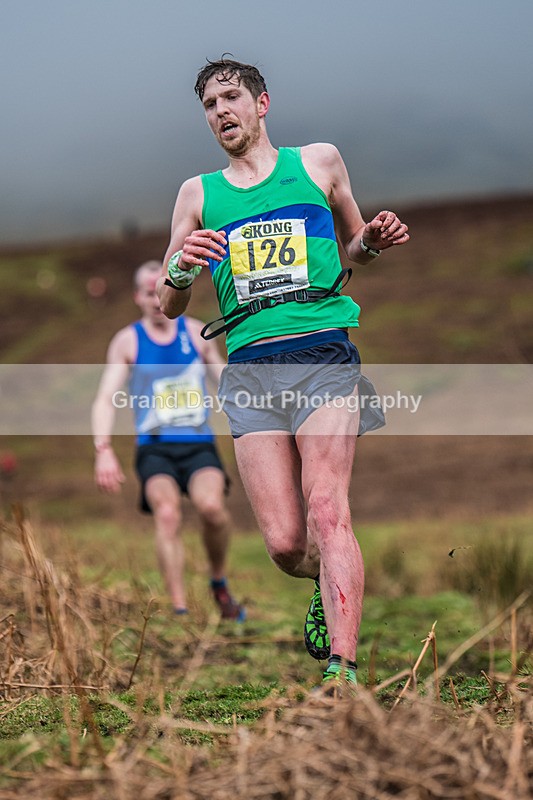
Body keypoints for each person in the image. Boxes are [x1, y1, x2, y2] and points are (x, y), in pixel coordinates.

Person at [156, 58, 409, 688]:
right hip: (248, 369)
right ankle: (328, 586)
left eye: (230, 98)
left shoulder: (319, 162)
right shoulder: (197, 194)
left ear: (261, 102)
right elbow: (168, 301)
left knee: (328, 507)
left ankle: (342, 672)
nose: (221, 113)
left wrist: (372, 239)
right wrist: (183, 269)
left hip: (322, 355)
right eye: (210, 106)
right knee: (287, 545)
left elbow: (356, 246)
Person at [92, 260, 245, 621]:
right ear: (138, 297)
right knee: (167, 513)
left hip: (198, 443)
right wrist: (103, 449)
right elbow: (104, 397)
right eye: (148, 292)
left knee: (212, 509)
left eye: (160, 288)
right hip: (155, 447)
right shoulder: (128, 341)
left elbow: (223, 381)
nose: (156, 299)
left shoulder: (194, 333)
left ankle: (219, 582)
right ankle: (179, 608)